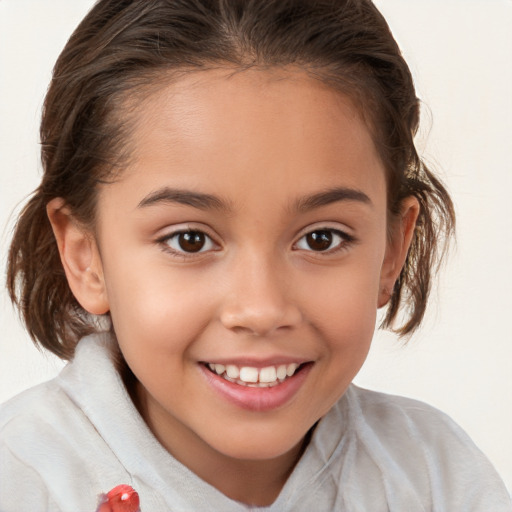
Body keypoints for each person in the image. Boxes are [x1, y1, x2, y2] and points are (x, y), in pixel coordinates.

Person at [1, 0, 510, 510]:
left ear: (390, 251)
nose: (262, 309)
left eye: (321, 238)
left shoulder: (435, 476)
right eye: (189, 240)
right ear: (85, 256)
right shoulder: (20, 481)